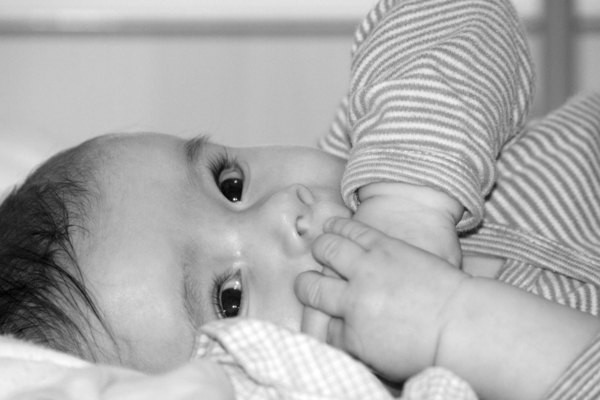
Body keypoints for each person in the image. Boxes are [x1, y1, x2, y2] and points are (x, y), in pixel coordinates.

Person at [1, 0, 600, 398]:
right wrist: (451, 325)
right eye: (229, 295)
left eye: (229, 183)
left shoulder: (380, 152)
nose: (284, 213)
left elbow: (461, 15)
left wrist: (412, 197)